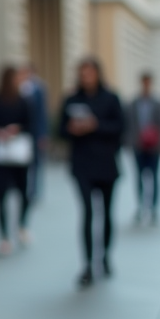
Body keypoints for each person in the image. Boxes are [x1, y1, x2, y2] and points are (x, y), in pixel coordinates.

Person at [60, 57, 125, 287]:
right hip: (82, 165)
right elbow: (61, 130)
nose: (85, 77)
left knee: (106, 213)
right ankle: (87, 263)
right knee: (87, 213)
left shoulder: (111, 98)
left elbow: (120, 128)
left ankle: (105, 256)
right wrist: (72, 128)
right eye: (82, 73)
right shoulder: (71, 99)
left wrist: (95, 125)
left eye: (89, 73)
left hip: (106, 164)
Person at [0, 65, 35, 255]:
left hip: (18, 153)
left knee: (23, 192)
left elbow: (31, 124)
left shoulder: (23, 101)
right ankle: (4, 235)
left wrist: (17, 129)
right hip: (0, 153)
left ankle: (21, 225)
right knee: (1, 195)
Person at [126, 71, 160, 224]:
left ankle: (154, 208)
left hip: (154, 147)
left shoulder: (158, 103)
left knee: (155, 177)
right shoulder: (133, 104)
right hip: (138, 146)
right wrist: (131, 142)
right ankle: (140, 206)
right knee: (139, 178)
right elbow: (129, 125)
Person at [20, 63, 50, 202]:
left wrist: (43, 134)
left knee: (36, 163)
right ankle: (24, 189)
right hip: (23, 132)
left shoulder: (39, 88)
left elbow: (42, 113)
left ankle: (34, 191)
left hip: (36, 131)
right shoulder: (19, 87)